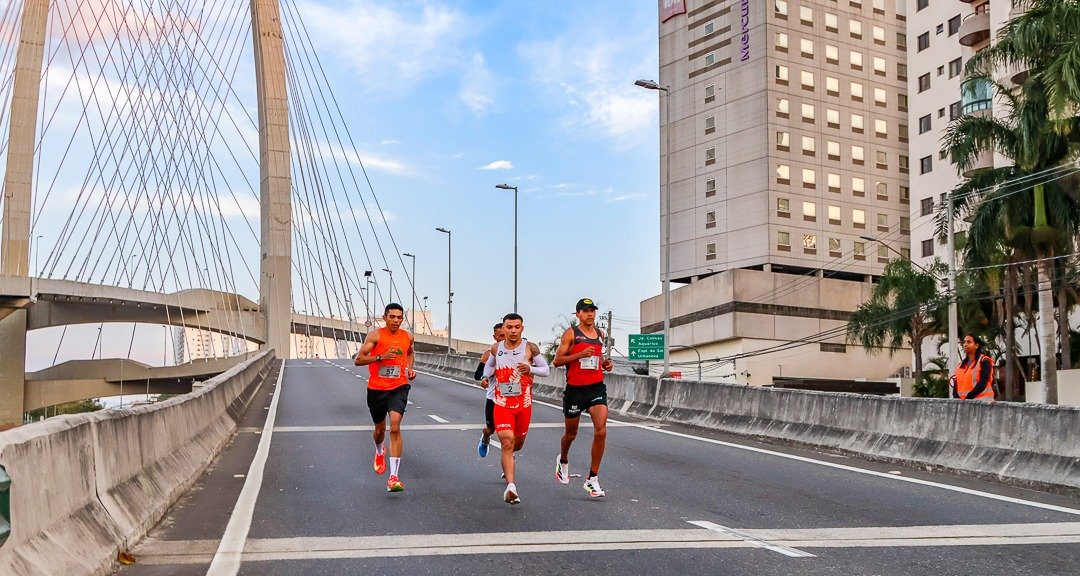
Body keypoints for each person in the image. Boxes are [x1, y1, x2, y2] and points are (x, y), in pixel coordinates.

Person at [481, 313, 550, 504]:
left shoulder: (530, 348)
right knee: (506, 440)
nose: (512, 330)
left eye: (516, 327)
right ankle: (511, 487)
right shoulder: (497, 348)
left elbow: (546, 370)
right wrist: (485, 378)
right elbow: (489, 366)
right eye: (509, 327)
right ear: (503, 329)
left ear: (522, 328)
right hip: (502, 403)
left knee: (517, 445)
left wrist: (531, 369)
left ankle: (510, 461)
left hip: (523, 404)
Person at [553, 298, 614, 498]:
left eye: (593, 311)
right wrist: (578, 356)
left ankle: (592, 479)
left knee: (601, 431)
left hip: (596, 388)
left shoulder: (600, 334)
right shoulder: (571, 334)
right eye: (586, 311)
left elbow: (597, 358)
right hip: (575, 390)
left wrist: (605, 364)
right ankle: (563, 460)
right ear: (578, 314)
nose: (590, 314)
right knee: (571, 434)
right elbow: (557, 361)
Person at [354, 303, 418, 492]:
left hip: (399, 386)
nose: (396, 320)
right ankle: (379, 449)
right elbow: (358, 360)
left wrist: (410, 368)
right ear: (385, 317)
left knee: (395, 426)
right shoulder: (375, 335)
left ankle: (393, 477)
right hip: (376, 389)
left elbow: (410, 352)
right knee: (380, 429)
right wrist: (380, 357)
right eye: (392, 317)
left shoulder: (408, 336)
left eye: (399, 317)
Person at [473, 322, 505, 457]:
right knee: (490, 429)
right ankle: (485, 438)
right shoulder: (489, 354)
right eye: (501, 336)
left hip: (512, 397)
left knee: (507, 433)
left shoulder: (520, 352)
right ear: (495, 337)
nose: (504, 338)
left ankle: (509, 461)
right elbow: (478, 375)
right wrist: (487, 376)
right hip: (493, 397)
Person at [951, 333, 995, 401]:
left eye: (969, 342)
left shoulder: (984, 361)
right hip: (965, 403)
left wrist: (969, 398)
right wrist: (956, 398)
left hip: (982, 402)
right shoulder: (960, 364)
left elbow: (983, 383)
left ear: (976, 345)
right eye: (964, 342)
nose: (965, 344)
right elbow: (956, 382)